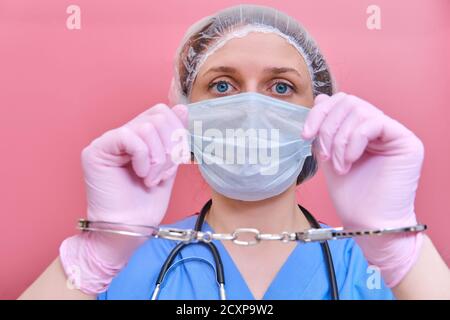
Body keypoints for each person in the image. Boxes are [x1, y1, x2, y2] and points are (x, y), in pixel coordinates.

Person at [19, 4, 450, 300]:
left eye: (281, 87)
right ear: (187, 112)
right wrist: (93, 256)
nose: (249, 110)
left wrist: (397, 241)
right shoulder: (123, 260)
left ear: (319, 114)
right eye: (222, 86)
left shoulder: (377, 266)